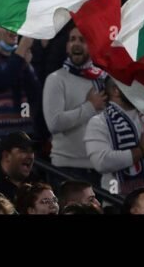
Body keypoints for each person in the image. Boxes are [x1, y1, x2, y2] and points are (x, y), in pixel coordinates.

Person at [85, 76, 144, 198]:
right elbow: (101, 162)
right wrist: (141, 151)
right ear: (116, 90)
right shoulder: (99, 122)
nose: (139, 89)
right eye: (133, 85)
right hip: (121, 202)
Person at [42, 24, 106, 182]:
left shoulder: (103, 79)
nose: (76, 44)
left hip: (100, 167)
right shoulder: (56, 79)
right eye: (72, 39)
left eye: (82, 40)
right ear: (67, 47)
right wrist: (90, 106)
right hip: (67, 168)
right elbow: (54, 123)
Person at [0, 27, 40, 138]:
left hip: (25, 131)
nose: (13, 29)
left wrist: (27, 66)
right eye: (6, 25)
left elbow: (35, 93)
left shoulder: (21, 59)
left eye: (15, 24)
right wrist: (22, 48)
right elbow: (3, 80)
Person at [0, 132, 40, 202]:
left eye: (32, 151)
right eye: (24, 151)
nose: (30, 156)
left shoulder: (37, 183)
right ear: (6, 156)